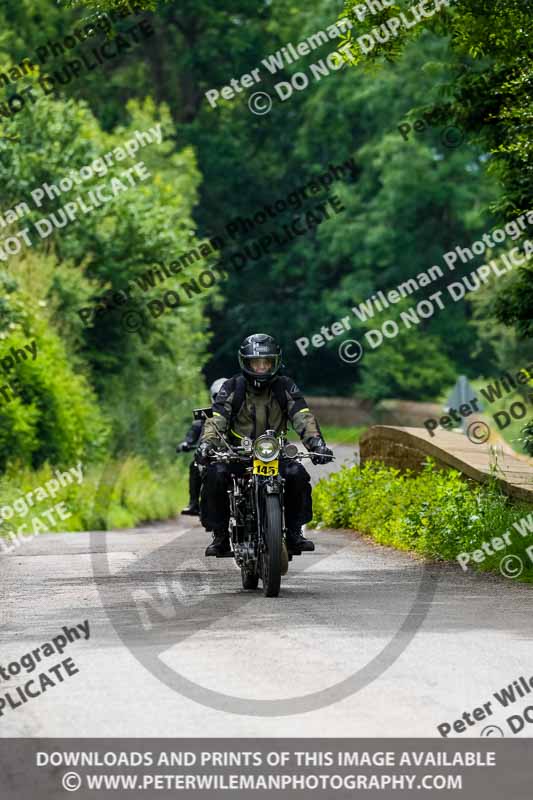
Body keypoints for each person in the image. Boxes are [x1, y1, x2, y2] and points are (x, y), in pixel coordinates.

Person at [197, 333, 333, 556]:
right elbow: (217, 418)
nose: (261, 368)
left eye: (266, 362)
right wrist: (206, 444)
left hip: (274, 453)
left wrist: (317, 444)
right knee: (214, 475)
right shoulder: (233, 386)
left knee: (297, 475)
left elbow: (302, 416)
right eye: (256, 363)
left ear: (274, 362)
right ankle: (220, 535)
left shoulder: (285, 386)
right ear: (246, 362)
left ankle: (294, 533)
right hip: (237, 454)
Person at [177, 377, 227, 516]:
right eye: (219, 396)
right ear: (213, 397)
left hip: (235, 453)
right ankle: (194, 502)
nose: (222, 400)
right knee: (195, 465)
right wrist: (187, 442)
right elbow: (195, 429)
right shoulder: (206, 414)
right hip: (212, 454)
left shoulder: (241, 412)